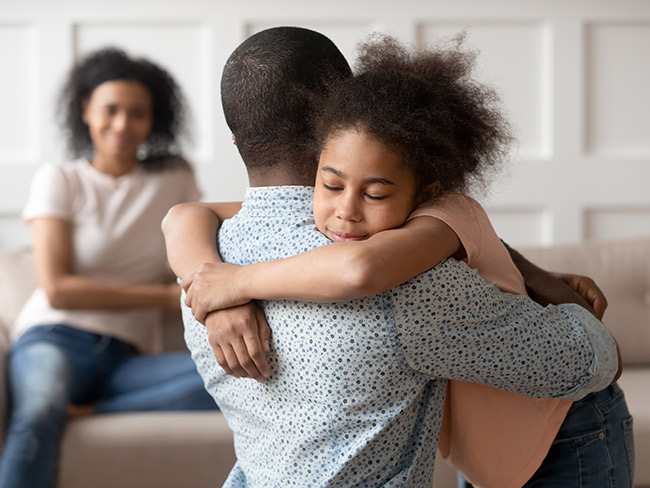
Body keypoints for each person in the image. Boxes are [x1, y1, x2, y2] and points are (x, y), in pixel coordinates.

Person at [163, 27, 621, 487]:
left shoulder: (204, 274)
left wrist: (231, 285)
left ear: (237, 139)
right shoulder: (402, 283)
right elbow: (588, 359)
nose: (349, 209)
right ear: (333, 119)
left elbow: (183, 216)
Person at [0, 48, 217, 488]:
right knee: (39, 411)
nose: (122, 124)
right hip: (55, 338)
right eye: (110, 110)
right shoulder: (60, 179)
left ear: (153, 119)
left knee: (233, 375)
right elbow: (59, 289)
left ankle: (94, 409)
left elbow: (200, 248)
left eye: (137, 113)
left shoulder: (175, 177)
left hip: (126, 357)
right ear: (85, 111)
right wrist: (161, 297)